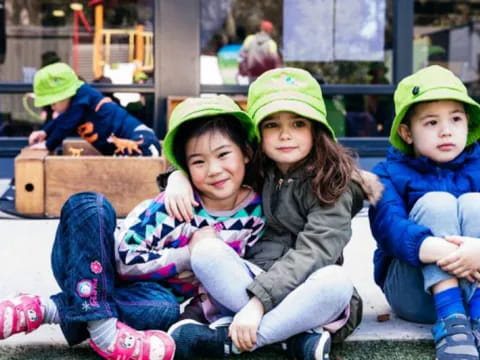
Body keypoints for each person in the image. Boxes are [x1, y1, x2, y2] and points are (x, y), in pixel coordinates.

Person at [162, 67, 377, 360]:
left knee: (336, 281)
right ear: (258, 132)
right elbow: (216, 166)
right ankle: (293, 339)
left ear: (316, 129)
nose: (285, 135)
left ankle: (229, 342)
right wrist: (178, 177)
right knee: (206, 251)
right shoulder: (260, 168)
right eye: (272, 124)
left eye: (298, 123)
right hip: (251, 281)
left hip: (308, 289)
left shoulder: (333, 183)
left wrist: (257, 304)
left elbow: (315, 252)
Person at [369, 65, 480, 360]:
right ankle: (450, 318)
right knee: (437, 203)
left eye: (456, 119)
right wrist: (438, 248)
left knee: (475, 204)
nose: (446, 130)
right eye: (431, 123)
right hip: (416, 294)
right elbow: (388, 226)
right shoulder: (387, 174)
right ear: (406, 132)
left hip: (474, 283)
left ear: (467, 123)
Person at [27, 62, 161, 156]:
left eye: (53, 102)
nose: (52, 107)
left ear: (65, 95)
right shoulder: (77, 102)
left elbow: (66, 123)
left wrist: (48, 144)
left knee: (127, 167)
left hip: (141, 142)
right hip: (128, 144)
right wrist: (45, 132)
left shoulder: (82, 98)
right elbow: (64, 118)